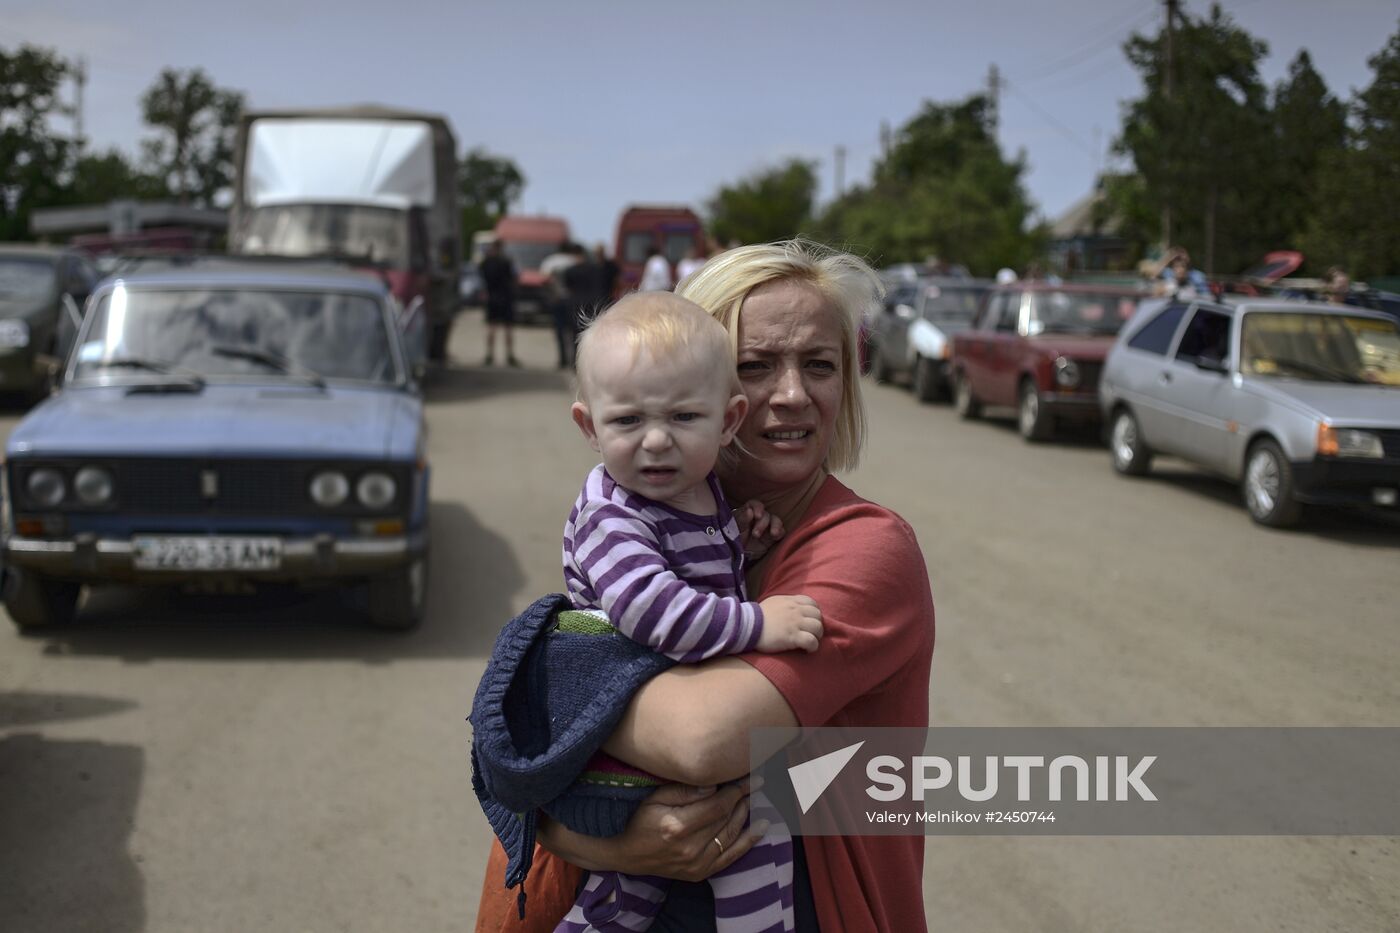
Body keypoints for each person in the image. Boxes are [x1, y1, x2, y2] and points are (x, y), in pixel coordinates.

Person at [475, 240, 937, 933]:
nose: (791, 394)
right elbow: (527, 782)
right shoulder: (648, 513)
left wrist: (548, 693)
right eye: (756, 365)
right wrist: (596, 837)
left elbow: (701, 738)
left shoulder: (866, 547)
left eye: (820, 364)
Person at [543, 292, 826, 932]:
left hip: (645, 743)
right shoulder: (615, 512)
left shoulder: (698, 493)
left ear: (728, 420)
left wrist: (741, 542)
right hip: (631, 755)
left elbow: (695, 568)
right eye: (627, 422)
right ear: (589, 427)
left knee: (630, 897)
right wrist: (762, 622)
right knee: (759, 828)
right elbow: (654, 613)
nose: (656, 442)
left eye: (683, 416)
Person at [479, 240, 521, 367]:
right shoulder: (507, 262)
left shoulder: (485, 263)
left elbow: (481, 279)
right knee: (508, 328)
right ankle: (509, 355)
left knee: (491, 327)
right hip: (506, 297)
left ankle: (489, 355)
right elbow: (515, 277)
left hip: (492, 297)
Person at [543, 242, 583, 369]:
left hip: (557, 299)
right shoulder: (573, 261)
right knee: (573, 330)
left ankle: (562, 359)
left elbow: (545, 279)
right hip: (572, 299)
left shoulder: (551, 261)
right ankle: (574, 359)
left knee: (559, 330)